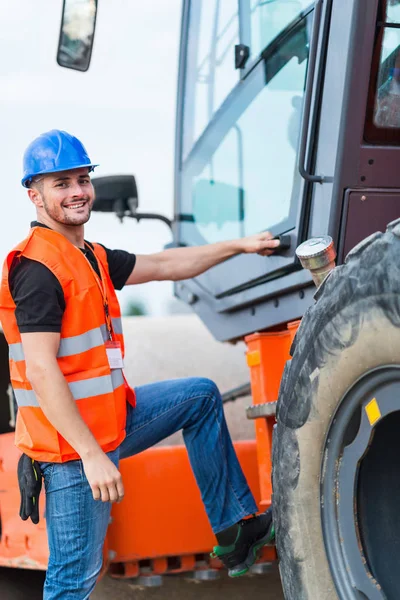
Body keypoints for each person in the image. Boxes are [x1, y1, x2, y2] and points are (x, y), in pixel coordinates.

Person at [0, 130, 279, 600]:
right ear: (35, 195)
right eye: (61, 183)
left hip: (114, 421)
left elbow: (167, 264)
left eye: (82, 179)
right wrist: (91, 457)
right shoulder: (38, 269)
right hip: (73, 452)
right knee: (72, 583)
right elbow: (43, 370)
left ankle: (235, 530)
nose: (77, 191)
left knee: (199, 397)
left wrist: (238, 246)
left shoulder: (92, 257)